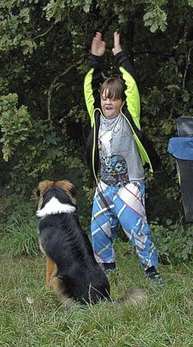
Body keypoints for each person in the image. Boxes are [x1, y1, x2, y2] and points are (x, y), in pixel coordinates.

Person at [84, 31, 163, 284]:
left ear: (121, 102)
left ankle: (152, 273)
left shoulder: (130, 116)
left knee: (135, 228)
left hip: (130, 183)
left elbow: (131, 84)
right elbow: (89, 86)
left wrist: (118, 54)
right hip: (105, 185)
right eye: (105, 97)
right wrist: (95, 59)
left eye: (114, 98)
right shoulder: (95, 116)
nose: (108, 101)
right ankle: (107, 273)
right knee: (98, 231)